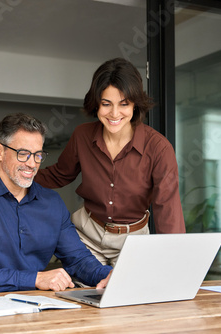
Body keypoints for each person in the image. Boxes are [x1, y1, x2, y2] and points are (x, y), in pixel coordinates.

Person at [35, 58, 185, 266]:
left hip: (133, 241)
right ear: (96, 103)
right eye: (106, 104)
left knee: (130, 297)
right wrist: (19, 175)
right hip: (86, 235)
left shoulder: (159, 148)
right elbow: (60, 174)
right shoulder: (82, 136)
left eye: (124, 104)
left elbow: (167, 208)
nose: (114, 114)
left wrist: (174, 262)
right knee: (77, 292)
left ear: (135, 104)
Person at [0, 113, 112, 294]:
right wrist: (36, 279)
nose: (32, 164)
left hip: (38, 306)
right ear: (0, 152)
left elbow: (78, 260)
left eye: (38, 155)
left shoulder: (52, 203)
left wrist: (110, 275)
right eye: (23, 154)